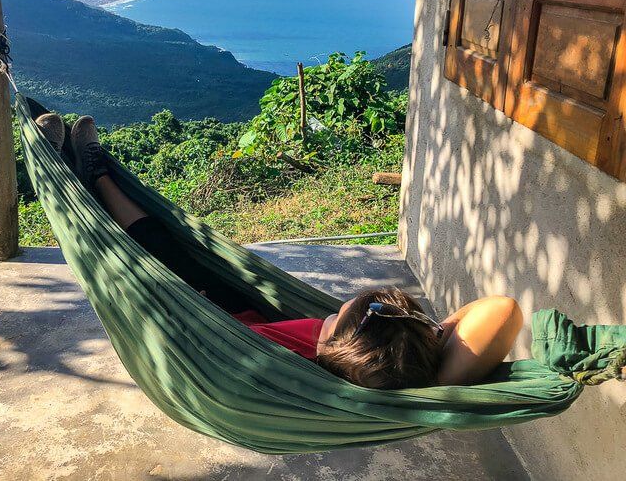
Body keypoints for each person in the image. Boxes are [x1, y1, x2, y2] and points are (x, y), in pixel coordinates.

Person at [35, 113, 525, 389]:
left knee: (147, 263)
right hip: (238, 313)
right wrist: (431, 348)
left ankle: (72, 186)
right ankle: (97, 174)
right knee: (171, 247)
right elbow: (498, 314)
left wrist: (433, 360)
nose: (331, 313)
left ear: (336, 346)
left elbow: (502, 311)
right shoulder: (377, 358)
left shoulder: (311, 369)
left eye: (337, 318)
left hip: (211, 329)